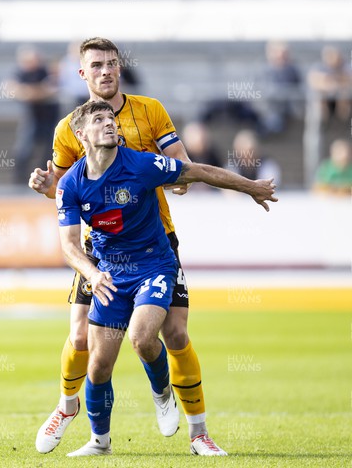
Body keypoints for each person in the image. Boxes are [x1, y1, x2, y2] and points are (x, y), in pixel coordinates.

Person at [29, 37, 225, 456]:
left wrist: (175, 177)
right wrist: (49, 188)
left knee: (173, 333)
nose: (105, 70)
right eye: (96, 64)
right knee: (81, 337)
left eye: (112, 63)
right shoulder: (69, 128)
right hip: (99, 250)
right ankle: (67, 408)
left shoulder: (150, 110)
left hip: (156, 242)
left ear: (120, 68)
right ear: (82, 73)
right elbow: (66, 191)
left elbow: (181, 168)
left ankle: (199, 432)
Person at [55, 100, 277, 456]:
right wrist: (93, 273)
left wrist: (249, 186)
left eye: (112, 118)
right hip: (109, 273)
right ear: (80, 135)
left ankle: (162, 394)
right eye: (99, 120)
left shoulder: (142, 165)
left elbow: (199, 171)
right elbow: (68, 246)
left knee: (144, 338)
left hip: (153, 265)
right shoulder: (71, 184)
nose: (110, 123)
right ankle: (100, 441)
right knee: (97, 364)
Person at [11, 46, 60, 184]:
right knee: (24, 147)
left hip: (49, 116)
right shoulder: (21, 73)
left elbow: (50, 89)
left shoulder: (44, 71)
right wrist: (36, 92)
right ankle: (19, 179)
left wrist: (30, 92)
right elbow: (12, 89)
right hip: (31, 116)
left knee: (50, 148)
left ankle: (45, 178)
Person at [308, 46, 352, 122]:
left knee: (344, 93)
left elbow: (348, 80)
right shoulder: (319, 67)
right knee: (320, 96)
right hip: (326, 100)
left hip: (341, 100)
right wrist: (331, 84)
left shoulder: (345, 67)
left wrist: (337, 82)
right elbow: (315, 80)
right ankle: (324, 121)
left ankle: (342, 121)